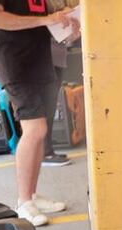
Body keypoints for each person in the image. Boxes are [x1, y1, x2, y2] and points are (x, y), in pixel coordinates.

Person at [0, 0, 76, 226]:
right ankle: (23, 202)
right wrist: (46, 19)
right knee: (35, 130)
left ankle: (32, 195)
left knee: (40, 133)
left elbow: (45, 19)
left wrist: (66, 22)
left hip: (41, 61)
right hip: (15, 64)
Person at [42, 38, 72, 167]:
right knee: (46, 106)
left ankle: (47, 149)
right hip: (47, 57)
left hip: (55, 55)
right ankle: (45, 152)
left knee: (50, 106)